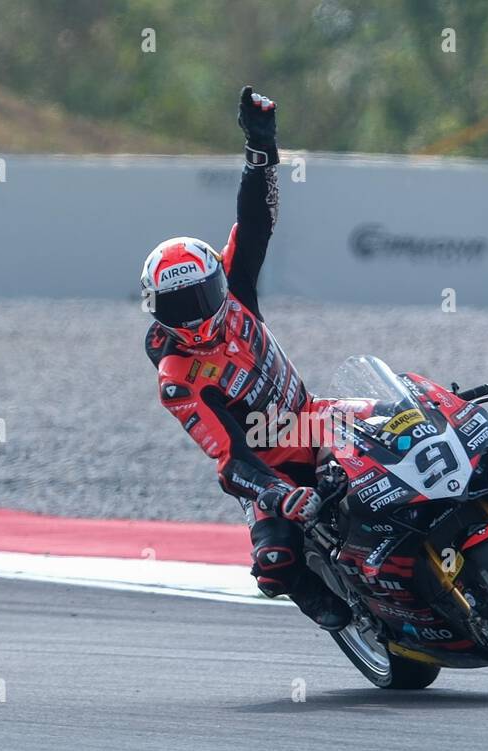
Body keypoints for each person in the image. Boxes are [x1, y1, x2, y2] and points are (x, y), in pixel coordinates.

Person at [141, 86, 352, 632]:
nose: (193, 314)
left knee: (411, 426)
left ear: (216, 280)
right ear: (155, 311)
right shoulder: (178, 381)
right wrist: (280, 494)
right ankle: (322, 602)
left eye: (200, 297)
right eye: (177, 306)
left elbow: (256, 222)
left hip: (317, 418)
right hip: (270, 467)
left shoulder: (234, 284)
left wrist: (261, 146)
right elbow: (231, 460)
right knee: (273, 567)